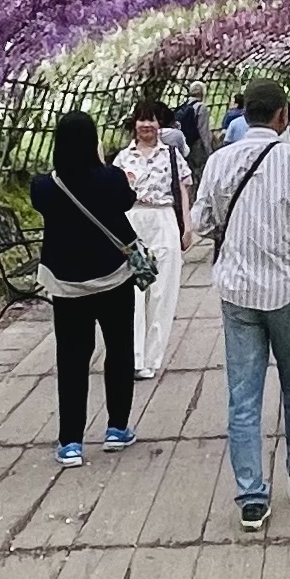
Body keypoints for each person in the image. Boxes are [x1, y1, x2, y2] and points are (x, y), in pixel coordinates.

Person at [193, 75, 290, 530]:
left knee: (244, 396)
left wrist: (233, 237)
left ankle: (251, 496)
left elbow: (202, 221)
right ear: (283, 115)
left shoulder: (219, 161)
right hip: (288, 287)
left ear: (243, 112)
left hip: (236, 290)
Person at [33, 105, 143, 463]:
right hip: (114, 279)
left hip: (68, 286)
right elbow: (127, 199)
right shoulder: (112, 178)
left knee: (72, 359)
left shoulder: (44, 186)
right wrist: (103, 164)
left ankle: (70, 442)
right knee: (119, 350)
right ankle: (117, 428)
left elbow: (45, 205)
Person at [119, 98, 192, 378]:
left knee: (162, 292)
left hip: (163, 219)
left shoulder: (171, 155)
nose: (146, 125)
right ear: (134, 124)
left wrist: (187, 226)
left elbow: (182, 190)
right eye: (142, 119)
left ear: (159, 124)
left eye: (151, 119)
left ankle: (152, 358)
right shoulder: (123, 158)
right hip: (133, 220)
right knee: (134, 291)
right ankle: (134, 357)